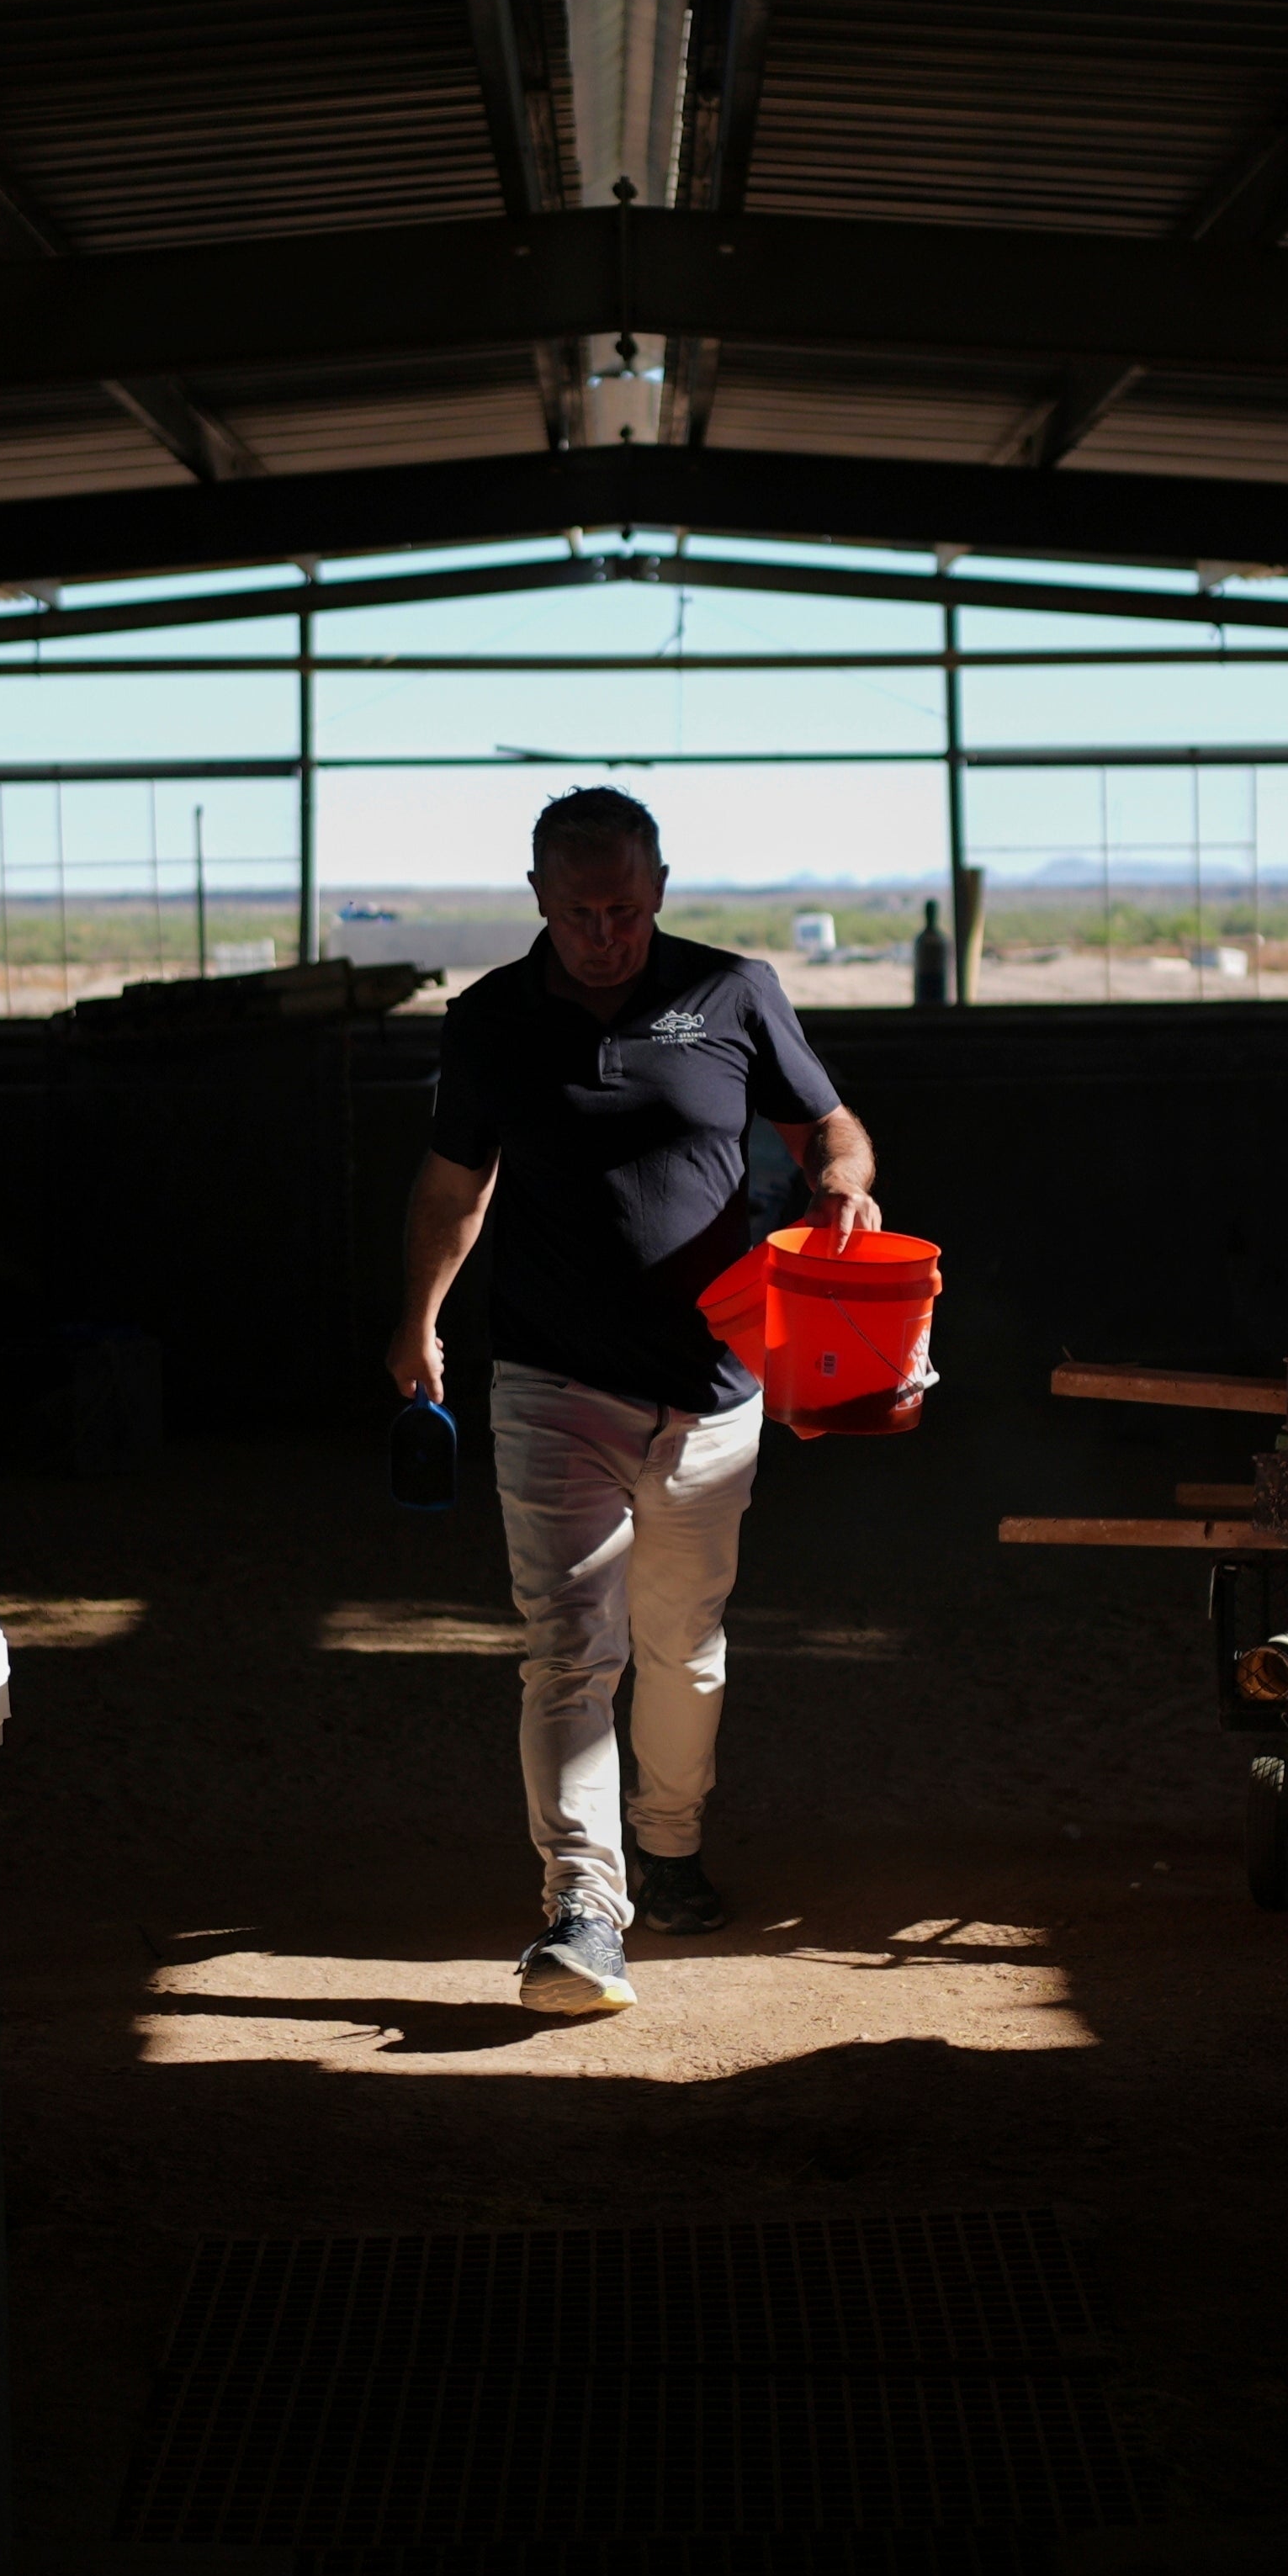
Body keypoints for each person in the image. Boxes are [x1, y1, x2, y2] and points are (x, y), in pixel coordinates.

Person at [387, 787, 880, 2017]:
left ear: (658, 884)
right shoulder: (490, 1019)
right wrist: (418, 1316)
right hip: (552, 1375)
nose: (601, 932)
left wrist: (839, 1183)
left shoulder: (733, 991)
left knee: (682, 1644)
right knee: (567, 1642)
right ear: (537, 897)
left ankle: (667, 1842)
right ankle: (581, 1907)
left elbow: (828, 1122)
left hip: (715, 1382)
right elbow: (456, 1180)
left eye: (621, 906)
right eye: (575, 911)